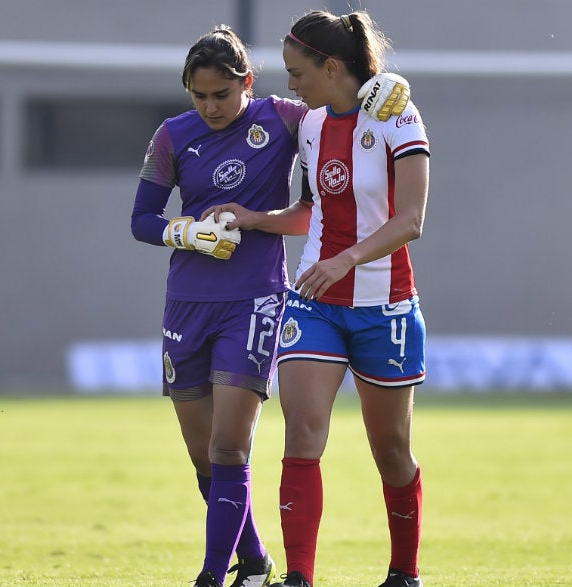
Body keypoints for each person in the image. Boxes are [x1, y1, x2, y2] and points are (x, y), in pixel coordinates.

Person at [129, 25, 410, 587]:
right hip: (186, 302)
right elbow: (141, 220)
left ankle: (213, 573)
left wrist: (390, 84)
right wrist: (184, 234)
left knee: (229, 444)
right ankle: (254, 559)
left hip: (257, 299)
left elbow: (346, 103)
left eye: (222, 95)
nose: (210, 107)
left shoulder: (284, 119)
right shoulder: (170, 136)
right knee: (202, 453)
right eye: (199, 96)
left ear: (247, 85)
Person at [203, 10, 429, 587]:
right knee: (302, 431)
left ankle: (405, 573)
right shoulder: (310, 124)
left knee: (391, 450)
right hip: (313, 302)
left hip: (386, 307)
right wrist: (254, 218)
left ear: (333, 66)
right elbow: (311, 211)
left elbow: (410, 220)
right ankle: (299, 577)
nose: (291, 84)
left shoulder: (398, 114)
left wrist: (348, 258)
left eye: (297, 73)